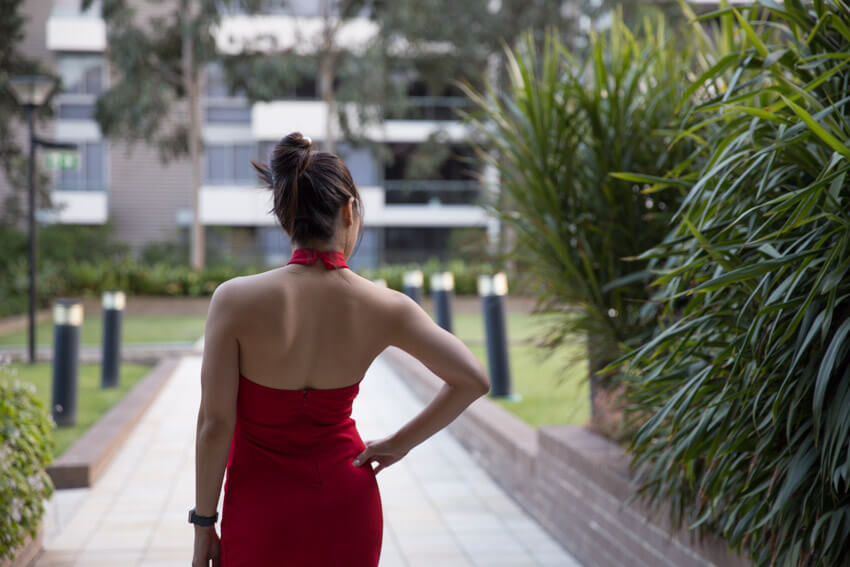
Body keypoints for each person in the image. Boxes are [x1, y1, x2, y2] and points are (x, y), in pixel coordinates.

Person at [190, 131, 491, 567]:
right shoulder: (385, 306)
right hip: (346, 504)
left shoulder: (234, 300)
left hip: (260, 510)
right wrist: (399, 444)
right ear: (349, 211)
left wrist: (204, 525)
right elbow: (473, 379)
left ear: (286, 216)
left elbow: (215, 425)